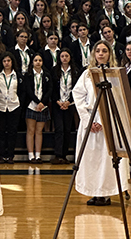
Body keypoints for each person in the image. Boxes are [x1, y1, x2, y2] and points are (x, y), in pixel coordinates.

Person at [72, 40, 129, 205]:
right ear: (94, 54)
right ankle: (94, 192)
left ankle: (106, 193)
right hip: (90, 121)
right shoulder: (87, 74)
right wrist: (88, 120)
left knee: (106, 160)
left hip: (108, 122)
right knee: (91, 159)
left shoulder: (114, 74)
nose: (101, 54)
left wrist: (104, 120)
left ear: (109, 54)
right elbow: (77, 95)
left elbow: (118, 99)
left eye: (105, 51)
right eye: (98, 51)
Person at [0, 52, 24, 163]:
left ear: (12, 62)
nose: (7, 63)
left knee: (12, 131)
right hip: (0, 105)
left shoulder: (18, 75)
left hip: (14, 106)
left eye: (9, 61)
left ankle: (10, 155)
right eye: (4, 61)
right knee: (0, 131)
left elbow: (21, 91)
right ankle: (1, 155)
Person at [51, 48, 79, 164]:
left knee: (67, 129)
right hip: (58, 104)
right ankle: (57, 155)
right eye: (62, 56)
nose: (64, 58)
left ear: (70, 57)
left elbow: (77, 88)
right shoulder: (54, 70)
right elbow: (51, 88)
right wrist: (58, 101)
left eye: (66, 56)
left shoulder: (75, 71)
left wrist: (69, 101)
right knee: (59, 129)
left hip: (70, 104)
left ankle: (64, 154)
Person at [25, 53, 52, 163]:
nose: (38, 62)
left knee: (39, 131)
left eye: (40, 60)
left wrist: (42, 103)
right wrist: (37, 102)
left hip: (43, 106)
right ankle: (31, 155)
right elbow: (28, 90)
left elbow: (50, 89)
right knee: (31, 130)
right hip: (31, 105)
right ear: (32, 62)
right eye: (36, 60)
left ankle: (38, 155)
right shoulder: (28, 75)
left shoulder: (46, 75)